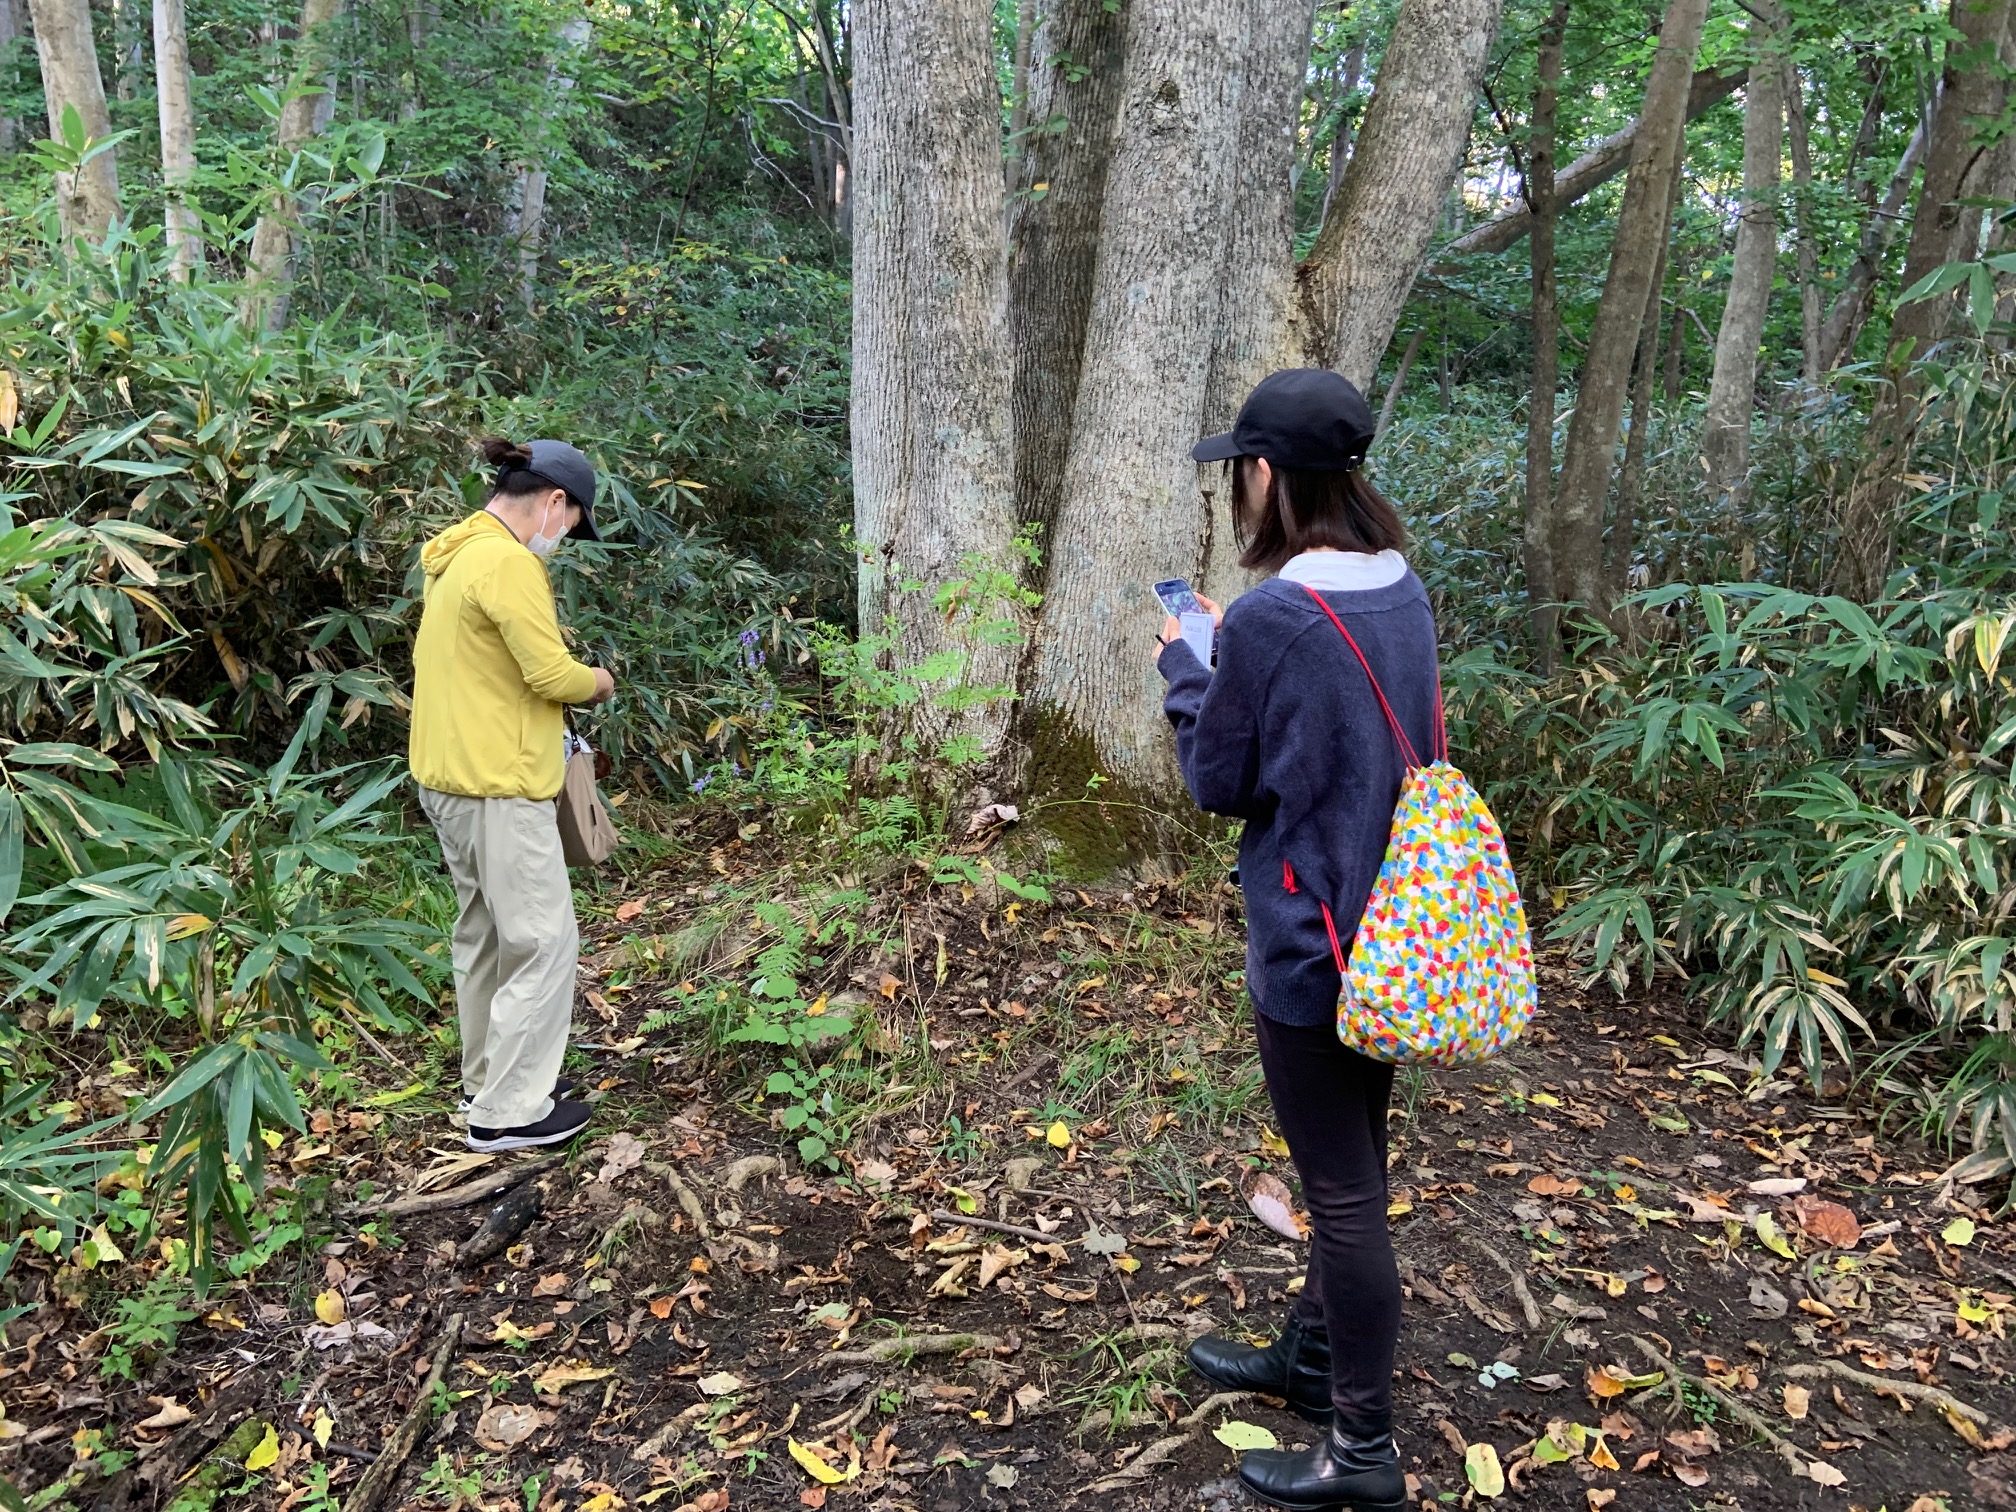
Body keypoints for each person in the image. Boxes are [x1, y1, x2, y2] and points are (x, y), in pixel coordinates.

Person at [1156, 369, 1439, 1512]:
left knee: (1347, 1194)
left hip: (1313, 941)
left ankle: (1361, 1449)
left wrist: (1188, 666)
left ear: (1267, 473)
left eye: (1242, 471)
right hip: (1399, 927)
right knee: (1352, 1164)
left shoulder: (1276, 616)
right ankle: (1311, 1360)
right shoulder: (1399, 586)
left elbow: (1217, 779)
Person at [409, 437, 617, 1153]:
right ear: (555, 501)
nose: (564, 538)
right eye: (572, 522)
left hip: (448, 778)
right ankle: (510, 1112)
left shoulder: (456, 555)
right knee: (542, 941)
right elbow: (552, 675)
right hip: (498, 784)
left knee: (487, 938)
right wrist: (600, 681)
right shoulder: (507, 561)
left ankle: (487, 1081)